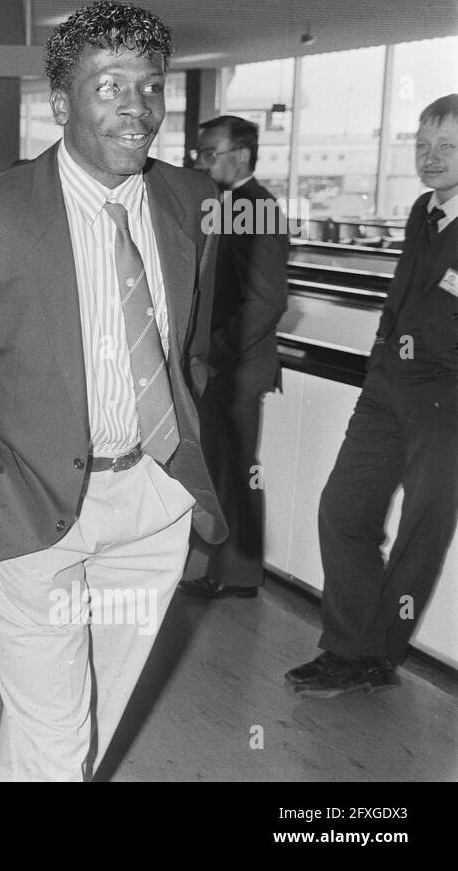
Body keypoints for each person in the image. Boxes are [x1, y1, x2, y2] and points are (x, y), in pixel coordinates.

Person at [0, 0, 224, 781]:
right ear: (59, 103)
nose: (136, 107)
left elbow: (195, 351)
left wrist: (175, 453)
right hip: (32, 507)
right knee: (56, 733)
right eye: (109, 84)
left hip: (149, 505)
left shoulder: (190, 204)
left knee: (88, 716)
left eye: (150, 87)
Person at [286, 94, 458, 699]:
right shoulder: (421, 210)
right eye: (423, 145)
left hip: (446, 399)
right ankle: (353, 644)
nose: (431, 158)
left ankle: (369, 655)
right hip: (387, 385)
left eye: (448, 147)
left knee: (420, 532)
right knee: (344, 510)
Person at [178, 116, 289, 600]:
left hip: (236, 367)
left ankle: (240, 574)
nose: (202, 162)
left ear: (241, 156)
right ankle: (225, 569)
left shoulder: (258, 209)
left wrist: (214, 355)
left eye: (210, 153)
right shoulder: (228, 206)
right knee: (221, 467)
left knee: (237, 468)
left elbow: (266, 301)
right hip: (224, 364)